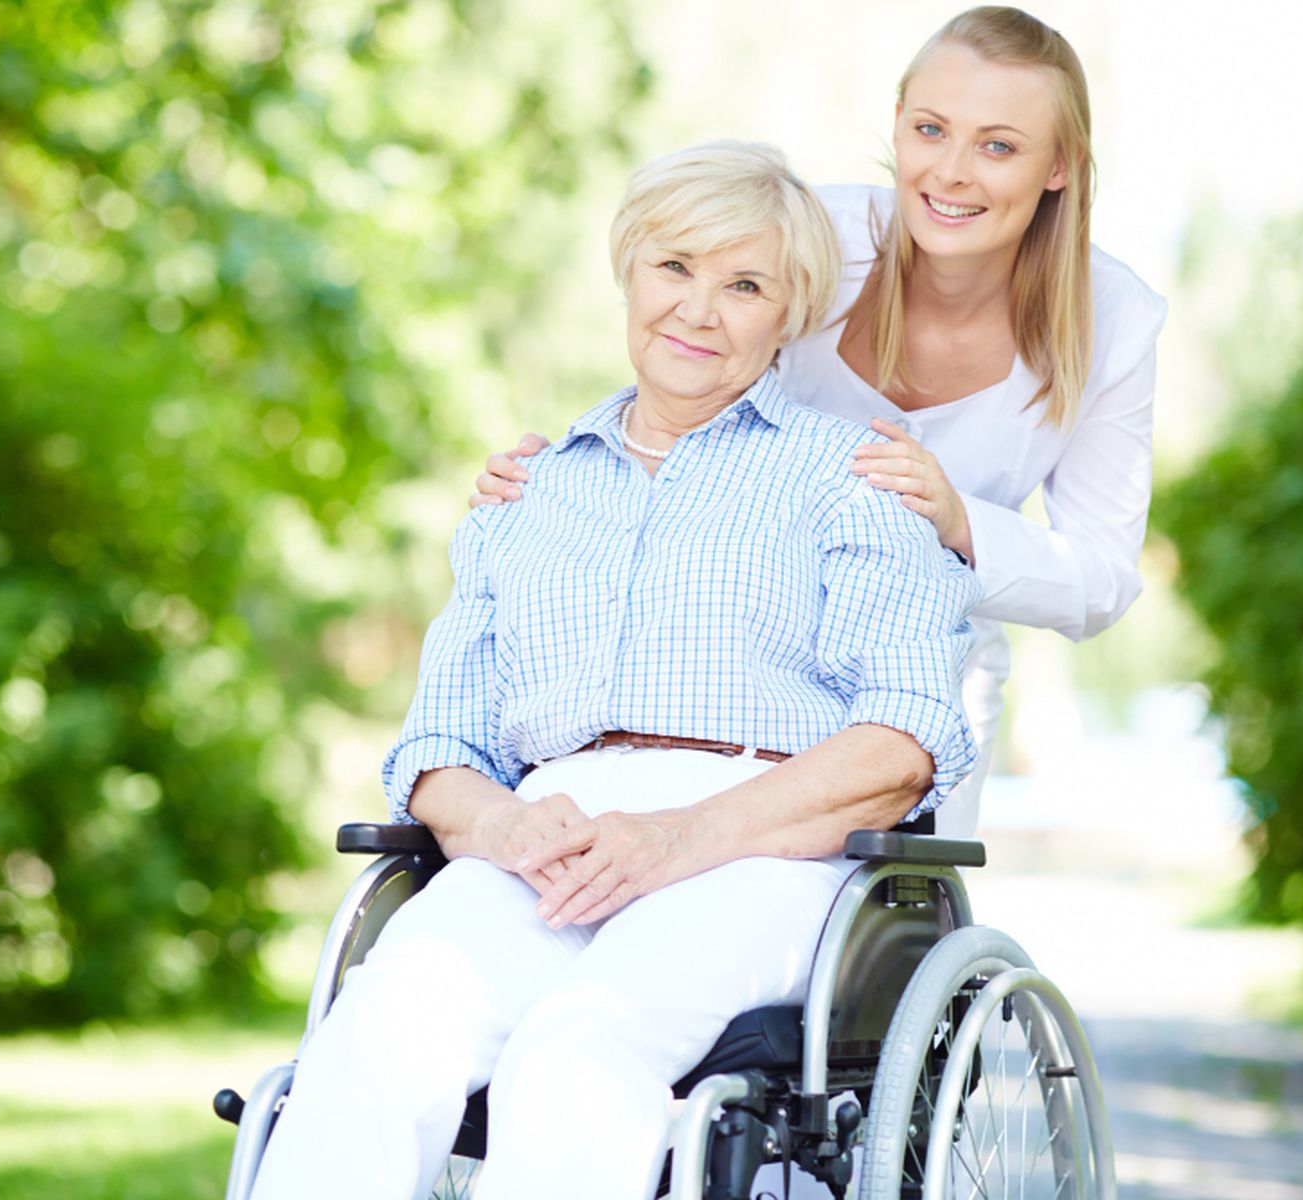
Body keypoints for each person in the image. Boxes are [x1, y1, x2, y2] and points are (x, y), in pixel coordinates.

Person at [249, 141, 979, 1200]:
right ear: (628, 272)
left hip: (758, 848)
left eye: (744, 286)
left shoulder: (849, 476)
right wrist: (500, 828)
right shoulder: (527, 494)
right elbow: (437, 751)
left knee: (576, 1053)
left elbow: (901, 742)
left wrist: (682, 837)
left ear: (789, 314)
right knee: (375, 1029)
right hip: (545, 841)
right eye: (673, 267)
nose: (698, 309)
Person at [471, 6, 1167, 838]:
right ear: (898, 126)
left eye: (997, 146)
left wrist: (954, 521)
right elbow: (685, 358)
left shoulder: (1113, 318)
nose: (949, 172)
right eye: (929, 129)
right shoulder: (815, 237)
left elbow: (1097, 578)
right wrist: (565, 480)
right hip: (733, 650)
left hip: (918, 671)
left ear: (1060, 166)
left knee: (891, 927)